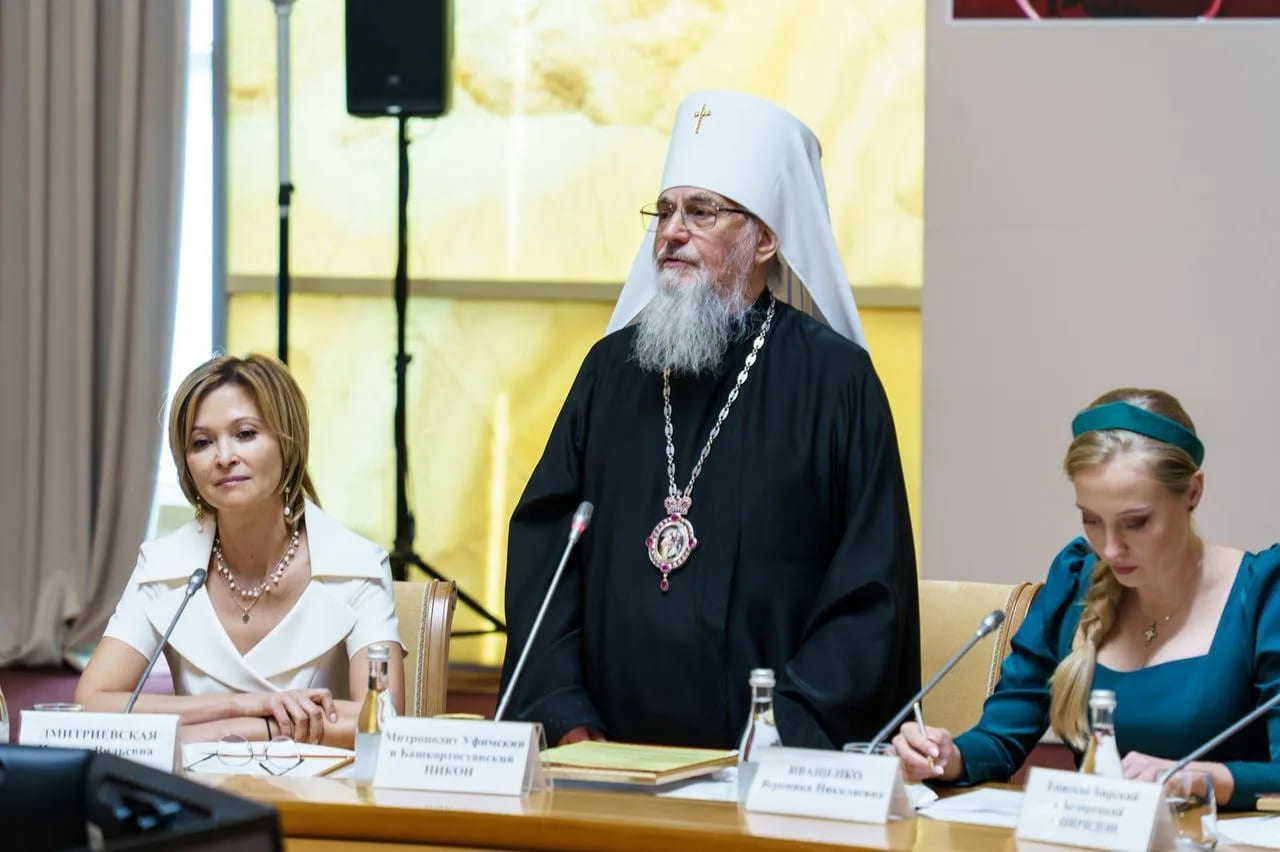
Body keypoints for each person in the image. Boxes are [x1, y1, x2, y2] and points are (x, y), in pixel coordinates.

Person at [500, 90, 919, 750]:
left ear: (766, 240)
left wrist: (782, 734)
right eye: (664, 211)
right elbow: (546, 553)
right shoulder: (610, 371)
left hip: (767, 764)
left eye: (701, 212)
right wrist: (566, 716)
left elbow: (869, 592)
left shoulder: (836, 383)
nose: (672, 232)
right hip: (605, 759)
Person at [892, 388, 1280, 810]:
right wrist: (948, 756)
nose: (1110, 549)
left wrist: (1204, 778)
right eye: (1091, 520)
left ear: (1193, 491)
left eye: (1136, 522)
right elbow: (1000, 739)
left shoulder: (1261, 594)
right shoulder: (1074, 583)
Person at [76, 354, 406, 746]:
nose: (224, 457)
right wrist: (239, 706)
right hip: (196, 781)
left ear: (288, 441)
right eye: (202, 442)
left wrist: (249, 729)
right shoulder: (164, 565)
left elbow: (381, 719)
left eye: (245, 434)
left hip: (316, 781)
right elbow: (91, 701)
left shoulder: (357, 565)